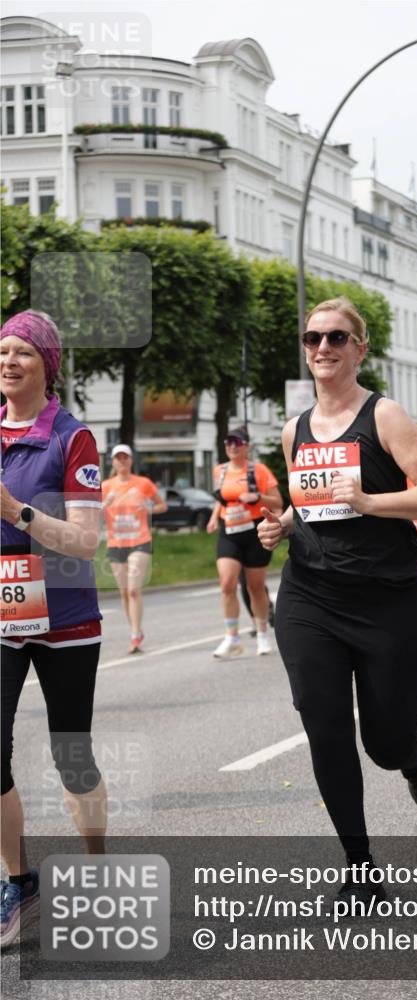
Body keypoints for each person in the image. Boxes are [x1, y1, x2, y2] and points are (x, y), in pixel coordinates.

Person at [258, 297, 417, 904]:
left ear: (359, 348)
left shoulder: (386, 416)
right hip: (310, 597)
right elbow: (315, 502)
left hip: (387, 599)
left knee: (384, 740)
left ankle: (414, 760)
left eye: (337, 338)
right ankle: (360, 864)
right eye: (312, 337)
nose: (323, 348)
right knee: (324, 727)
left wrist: (372, 501)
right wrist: (284, 525)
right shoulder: (294, 430)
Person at [0, 311, 107, 948]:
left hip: (65, 617)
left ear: (48, 365)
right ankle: (20, 880)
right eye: (1, 351)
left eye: (22, 353)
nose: (8, 362)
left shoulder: (73, 439)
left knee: (72, 758)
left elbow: (86, 540)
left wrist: (16, 510)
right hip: (1, 618)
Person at [207, 427, 282, 658]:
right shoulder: (219, 470)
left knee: (255, 587)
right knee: (227, 584)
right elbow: (222, 500)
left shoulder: (258, 470)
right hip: (228, 531)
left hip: (254, 532)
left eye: (237, 442)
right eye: (228, 442)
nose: (231, 446)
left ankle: (262, 635)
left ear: (246, 446)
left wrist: (257, 497)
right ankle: (232, 638)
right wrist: (212, 518)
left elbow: (278, 501)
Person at [101, 445, 167, 654]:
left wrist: (148, 508)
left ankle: (136, 634)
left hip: (140, 541)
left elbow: (162, 506)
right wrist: (105, 504)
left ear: (131, 461)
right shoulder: (105, 486)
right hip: (116, 543)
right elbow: (93, 515)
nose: (122, 461)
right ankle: (134, 631)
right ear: (113, 462)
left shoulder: (143, 483)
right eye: (118, 458)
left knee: (133, 590)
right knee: (123, 593)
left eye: (125, 457)